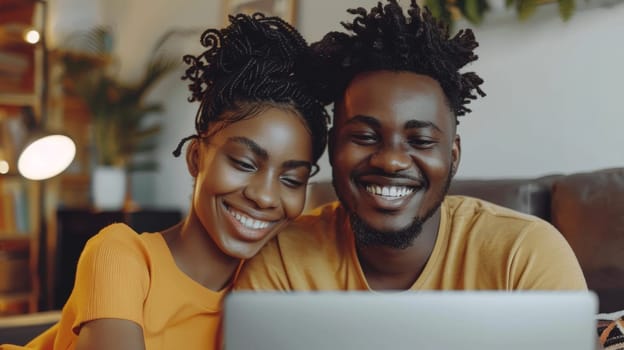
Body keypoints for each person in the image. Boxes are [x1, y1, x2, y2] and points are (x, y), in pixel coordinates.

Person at [1, 12, 328, 350]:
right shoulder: (122, 254)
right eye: (244, 163)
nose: (265, 196)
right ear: (196, 157)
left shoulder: (277, 288)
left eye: (292, 179)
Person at [235, 0, 587, 292]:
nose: (390, 161)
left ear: (453, 157)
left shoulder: (525, 254)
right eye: (365, 136)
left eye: (419, 141)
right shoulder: (281, 258)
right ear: (332, 147)